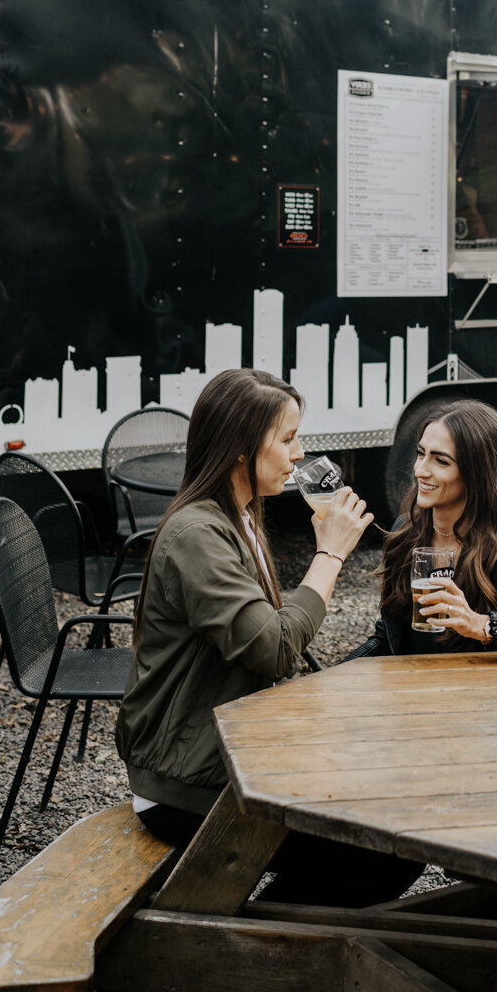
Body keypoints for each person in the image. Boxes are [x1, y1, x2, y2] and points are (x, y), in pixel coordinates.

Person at [115, 367, 423, 905]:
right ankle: (258, 939)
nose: (299, 454)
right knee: (391, 845)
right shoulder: (197, 534)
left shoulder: (240, 518)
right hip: (189, 789)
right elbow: (273, 647)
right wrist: (329, 554)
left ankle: (272, 924)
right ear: (239, 449)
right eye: (287, 439)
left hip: (230, 756)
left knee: (385, 804)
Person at [347, 399, 497, 659]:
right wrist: (334, 676)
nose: (420, 470)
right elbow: (389, 636)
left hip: (489, 695)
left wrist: (482, 625)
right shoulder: (406, 531)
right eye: (421, 454)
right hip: (416, 694)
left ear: (477, 473)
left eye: (440, 461)